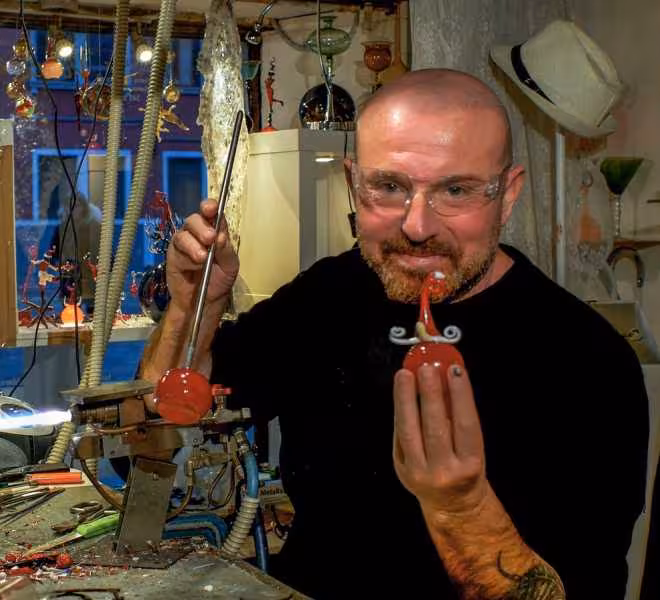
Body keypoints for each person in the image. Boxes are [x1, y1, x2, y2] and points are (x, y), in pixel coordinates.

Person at [139, 69, 649, 599]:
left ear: (509, 194)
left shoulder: (590, 360)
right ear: (352, 182)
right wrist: (193, 306)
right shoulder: (326, 295)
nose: (417, 226)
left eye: (456, 189)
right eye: (388, 187)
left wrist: (460, 507)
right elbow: (165, 415)